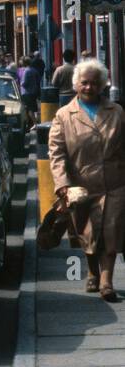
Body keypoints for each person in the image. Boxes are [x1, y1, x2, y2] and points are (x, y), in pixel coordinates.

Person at [49, 58, 125, 301]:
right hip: (80, 187)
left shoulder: (117, 112)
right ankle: (92, 271)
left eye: (94, 83)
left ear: (103, 85)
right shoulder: (63, 115)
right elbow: (57, 153)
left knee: (111, 232)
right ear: (76, 84)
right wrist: (62, 185)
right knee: (87, 234)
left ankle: (106, 281)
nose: (89, 87)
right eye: (84, 83)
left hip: (114, 184)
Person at [22, 52, 45, 126]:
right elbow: (38, 80)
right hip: (34, 92)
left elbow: (24, 83)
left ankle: (35, 123)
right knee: (34, 108)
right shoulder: (34, 70)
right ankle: (34, 122)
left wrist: (21, 84)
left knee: (29, 109)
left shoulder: (26, 71)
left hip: (27, 92)